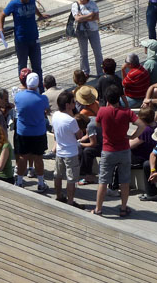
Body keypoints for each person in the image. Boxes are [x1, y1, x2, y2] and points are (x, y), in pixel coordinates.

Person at [92, 86, 146, 217]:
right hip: (124, 150)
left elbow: (97, 125)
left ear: (106, 99)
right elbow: (142, 125)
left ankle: (98, 209)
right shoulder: (127, 112)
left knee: (103, 181)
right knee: (124, 181)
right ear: (119, 99)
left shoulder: (102, 111)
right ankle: (123, 208)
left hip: (108, 150)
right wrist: (133, 136)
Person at [0, 0, 50, 92]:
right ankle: (25, 90)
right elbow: (2, 15)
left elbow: (34, 7)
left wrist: (40, 15)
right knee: (22, 66)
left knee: (37, 66)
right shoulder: (14, 4)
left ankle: (40, 89)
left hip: (34, 38)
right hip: (21, 40)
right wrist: (0, 28)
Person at [14, 73, 50, 192]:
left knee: (23, 157)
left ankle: (19, 182)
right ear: (38, 84)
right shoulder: (43, 99)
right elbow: (47, 109)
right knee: (38, 158)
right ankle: (40, 183)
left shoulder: (18, 97)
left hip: (23, 132)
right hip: (38, 132)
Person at [52, 91, 86, 209]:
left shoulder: (55, 115)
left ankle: (59, 196)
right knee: (71, 179)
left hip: (60, 151)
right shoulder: (71, 121)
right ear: (67, 105)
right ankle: (70, 202)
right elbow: (79, 136)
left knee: (58, 175)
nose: (75, 104)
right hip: (71, 153)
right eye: (73, 102)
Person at [72, 0, 103, 78]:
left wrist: (84, 17)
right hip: (81, 32)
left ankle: (100, 72)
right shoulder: (75, 5)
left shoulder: (93, 4)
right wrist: (90, 15)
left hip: (93, 30)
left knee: (98, 52)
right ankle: (85, 72)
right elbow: (77, 18)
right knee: (83, 53)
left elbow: (96, 17)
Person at [76, 87, 101, 186]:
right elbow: (88, 135)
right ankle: (83, 171)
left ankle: (87, 175)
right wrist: (80, 140)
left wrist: (80, 144)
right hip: (99, 137)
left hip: (102, 144)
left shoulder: (84, 113)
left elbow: (93, 143)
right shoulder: (91, 116)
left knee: (87, 151)